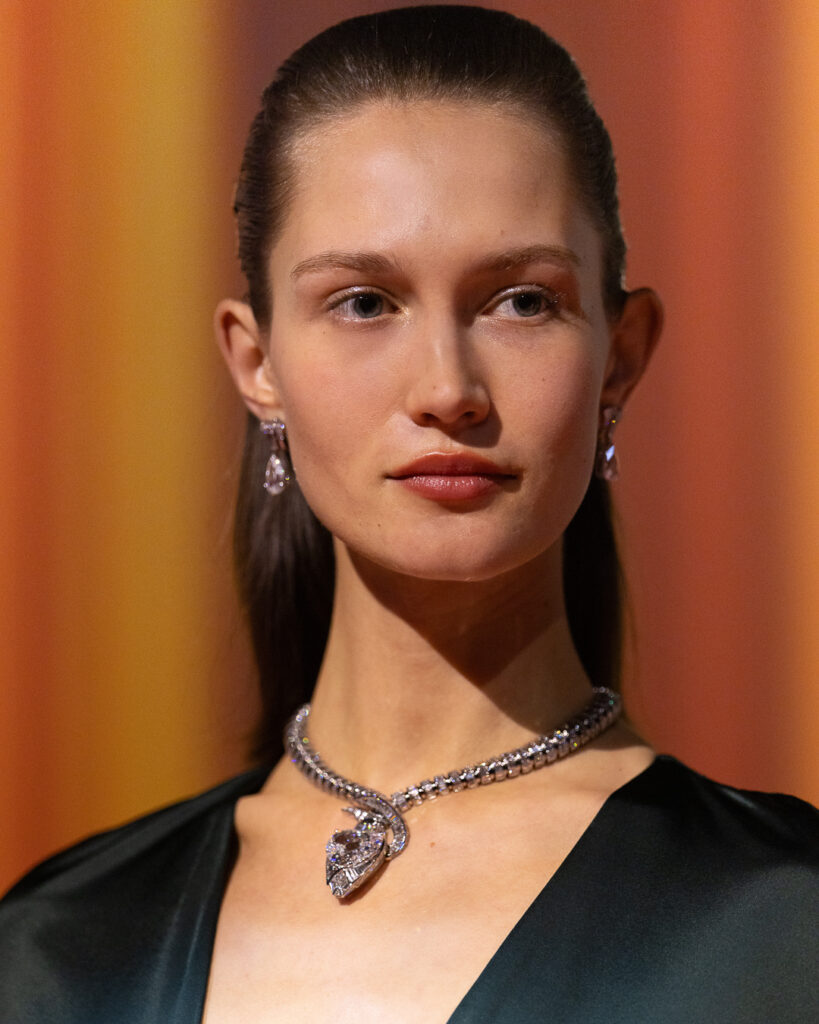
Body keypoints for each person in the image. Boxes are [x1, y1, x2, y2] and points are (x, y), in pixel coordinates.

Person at [1, 6, 816, 1023]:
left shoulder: (785, 925)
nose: (446, 389)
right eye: (364, 302)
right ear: (256, 364)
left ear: (621, 355)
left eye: (521, 301)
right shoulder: (63, 947)